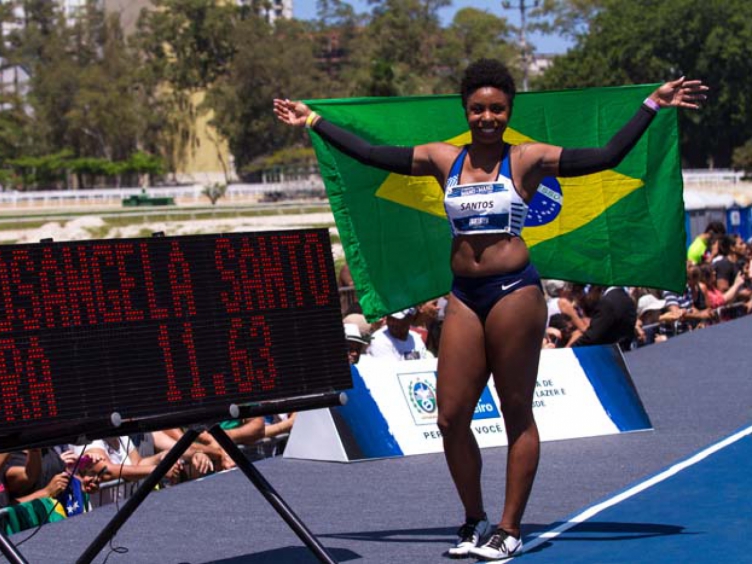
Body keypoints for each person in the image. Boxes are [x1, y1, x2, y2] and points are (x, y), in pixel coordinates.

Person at [274, 59, 706, 560]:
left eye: (497, 109)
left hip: (514, 293)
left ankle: (509, 527)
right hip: (463, 294)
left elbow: (607, 155)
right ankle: (473, 518)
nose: (487, 117)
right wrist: (313, 121)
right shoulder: (442, 159)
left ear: (508, 111)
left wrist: (653, 103)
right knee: (451, 418)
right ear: (465, 110)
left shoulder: (527, 159)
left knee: (515, 410)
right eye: (478, 108)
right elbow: (372, 153)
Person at [571, 285, 638, 350]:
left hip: (610, 354)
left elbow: (593, 336)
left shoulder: (606, 303)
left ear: (595, 288)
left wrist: (570, 350)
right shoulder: (626, 298)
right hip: (626, 351)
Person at [367, 307, 431, 361]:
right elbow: (390, 370)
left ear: (410, 319)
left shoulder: (416, 338)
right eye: (391, 318)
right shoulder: (379, 338)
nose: (393, 323)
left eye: (398, 319)